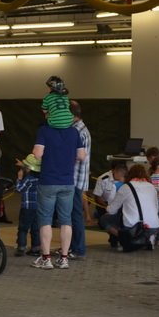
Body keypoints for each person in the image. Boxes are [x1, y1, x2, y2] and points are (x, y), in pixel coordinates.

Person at [31, 120, 85, 270]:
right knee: (66, 220)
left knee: (45, 220)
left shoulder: (44, 130)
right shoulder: (74, 132)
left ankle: (46, 258)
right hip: (68, 181)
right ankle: (64, 258)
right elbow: (81, 155)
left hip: (48, 180)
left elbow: (37, 153)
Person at [101, 164, 159, 248]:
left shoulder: (126, 187)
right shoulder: (151, 187)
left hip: (133, 228)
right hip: (153, 227)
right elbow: (156, 209)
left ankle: (125, 239)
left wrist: (107, 207)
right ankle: (147, 238)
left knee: (104, 219)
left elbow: (111, 210)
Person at [68, 100, 91, 260]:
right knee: (73, 213)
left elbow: (77, 157)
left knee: (75, 214)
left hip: (75, 178)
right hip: (78, 178)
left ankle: (78, 248)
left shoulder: (77, 132)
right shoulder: (80, 129)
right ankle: (73, 247)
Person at [93, 161, 127, 248]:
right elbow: (97, 196)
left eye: (123, 175)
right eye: (119, 175)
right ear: (114, 171)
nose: (120, 177)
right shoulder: (103, 179)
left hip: (121, 206)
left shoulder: (125, 179)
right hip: (105, 205)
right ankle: (116, 237)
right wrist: (106, 207)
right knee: (104, 221)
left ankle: (117, 238)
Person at [15, 154, 42, 257]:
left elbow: (19, 189)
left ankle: (21, 248)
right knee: (35, 228)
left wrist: (19, 178)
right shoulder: (39, 178)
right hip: (37, 208)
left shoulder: (28, 179)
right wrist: (22, 165)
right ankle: (35, 248)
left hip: (27, 208)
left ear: (28, 169)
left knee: (23, 228)